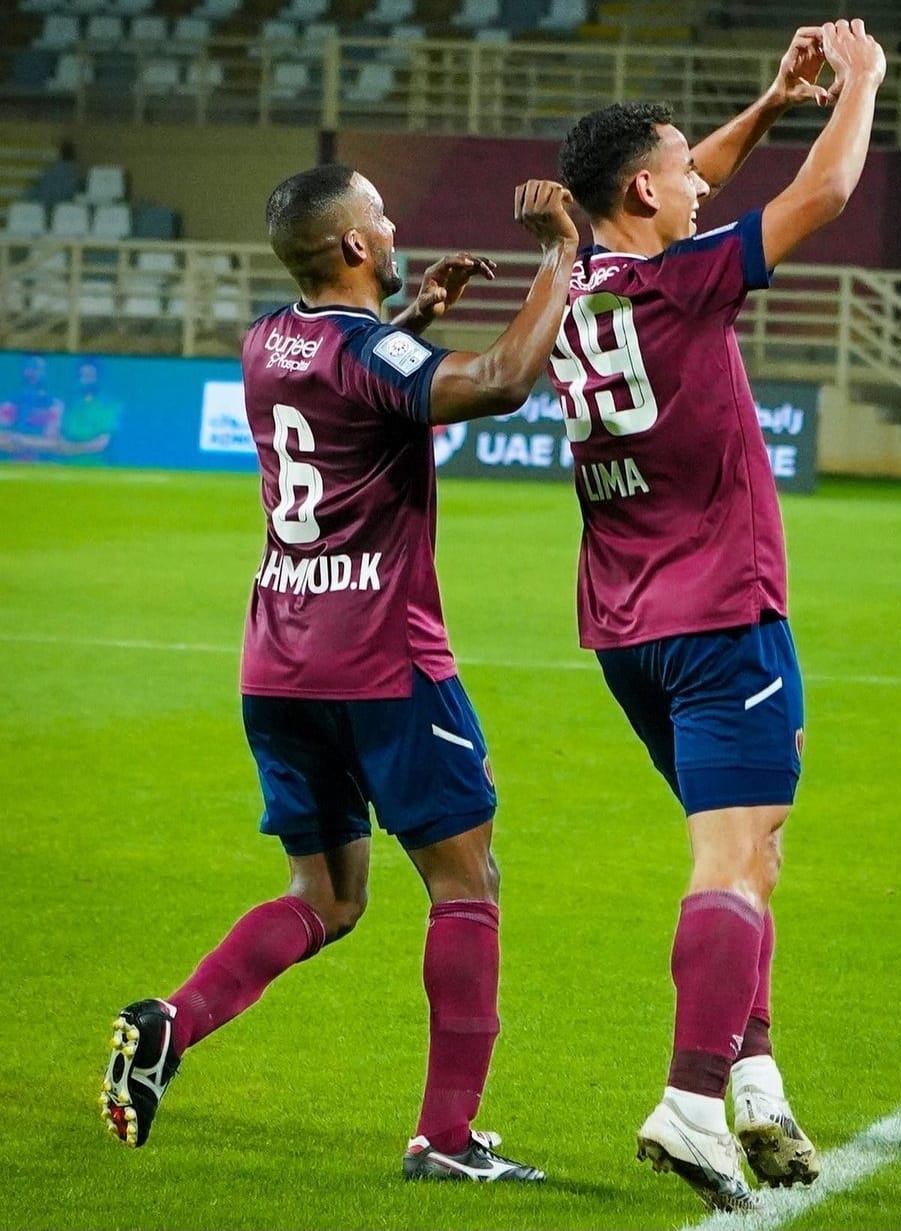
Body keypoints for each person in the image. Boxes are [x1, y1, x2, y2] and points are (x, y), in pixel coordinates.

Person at [99, 163, 578, 1183]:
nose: (395, 220)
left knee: (327, 895)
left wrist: (411, 312)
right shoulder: (370, 354)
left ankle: (169, 1024)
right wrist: (560, 255)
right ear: (356, 246)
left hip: (277, 662)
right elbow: (497, 381)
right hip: (385, 660)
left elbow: (349, 360)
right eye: (381, 214)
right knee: (466, 883)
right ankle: (445, 1141)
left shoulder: (265, 342)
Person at [548, 19, 886, 1213]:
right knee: (734, 859)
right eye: (683, 166)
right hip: (723, 611)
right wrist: (860, 81)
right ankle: (693, 1099)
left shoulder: (575, 278)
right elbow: (830, 190)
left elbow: (686, 188)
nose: (702, 178)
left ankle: (754, 1076)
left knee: (755, 849)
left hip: (626, 627)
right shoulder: (685, 281)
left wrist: (769, 101)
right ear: (643, 189)